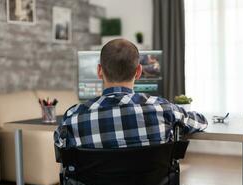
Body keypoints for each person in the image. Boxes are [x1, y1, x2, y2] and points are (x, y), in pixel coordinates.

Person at [54, 39, 208, 149]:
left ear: (99, 71)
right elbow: (201, 121)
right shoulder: (164, 109)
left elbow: (59, 144)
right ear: (139, 71)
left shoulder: (73, 117)